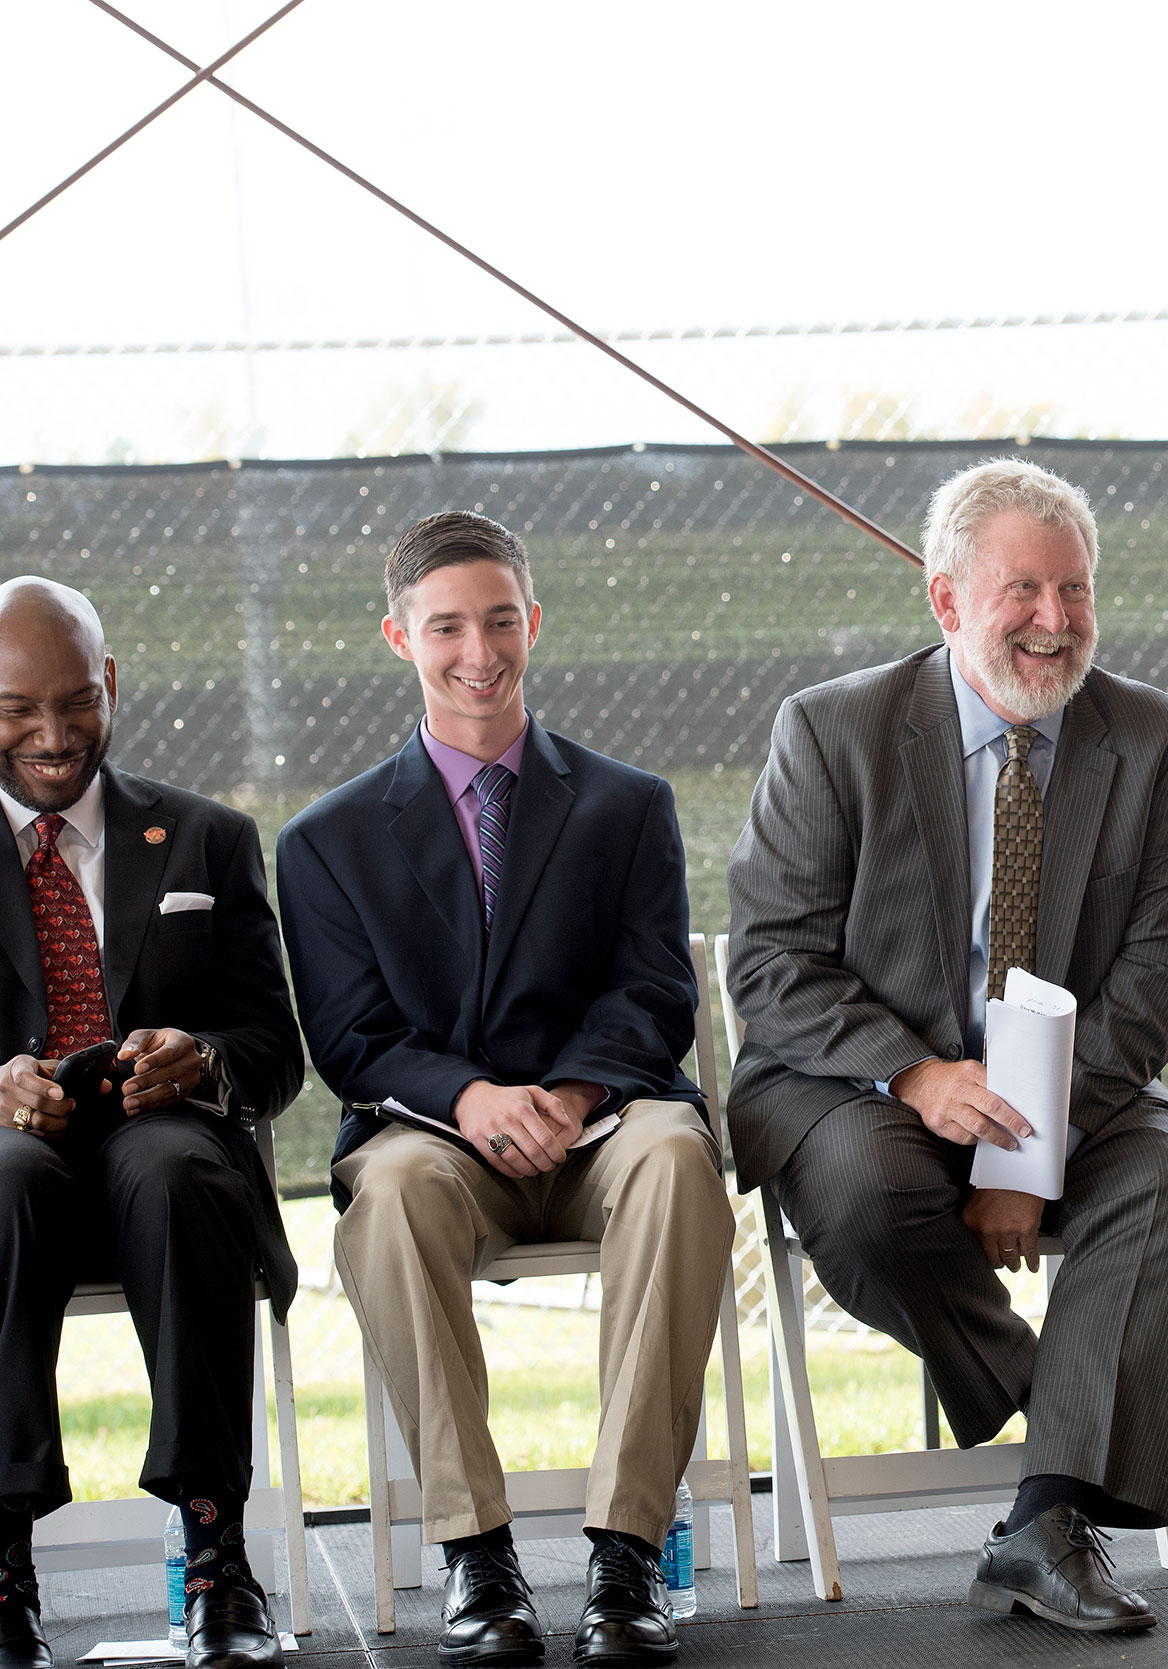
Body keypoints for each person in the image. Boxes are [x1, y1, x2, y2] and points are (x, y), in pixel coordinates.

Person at [725, 458, 1168, 1635]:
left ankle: (1044, 1524)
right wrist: (921, 1076)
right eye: (1023, 593)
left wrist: (1022, 1151)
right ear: (947, 602)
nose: (1054, 622)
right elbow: (772, 966)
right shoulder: (832, 730)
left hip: (1077, 1090)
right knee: (858, 1188)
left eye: (1076, 592)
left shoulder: (1154, 742)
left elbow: (1158, 982)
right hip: (862, 1081)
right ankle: (1068, 1404)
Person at [276, 513, 732, 1668]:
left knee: (681, 1157)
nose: (475, 651)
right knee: (388, 1197)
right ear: (398, 637)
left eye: (497, 620)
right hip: (433, 1135)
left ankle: (627, 1550)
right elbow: (349, 1037)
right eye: (445, 627)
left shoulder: (627, 804)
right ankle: (477, 1554)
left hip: (602, 1123)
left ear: (533, 622)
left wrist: (571, 1096)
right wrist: (472, 1097)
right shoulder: (326, 840)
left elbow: (654, 993)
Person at [0, 578, 302, 1669]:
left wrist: (204, 1059)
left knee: (174, 1171)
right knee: (7, 1178)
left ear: (111, 684)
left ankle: (214, 1552)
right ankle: (1, 1554)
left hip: (161, 1148)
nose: (51, 733)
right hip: (14, 1171)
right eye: (15, 708)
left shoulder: (208, 839)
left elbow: (276, 1053)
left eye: (76, 700)